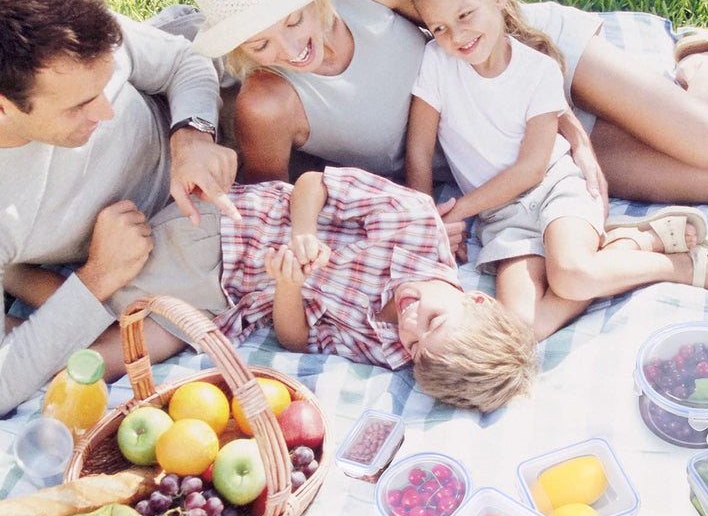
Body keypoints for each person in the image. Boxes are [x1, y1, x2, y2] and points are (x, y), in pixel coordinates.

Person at [185, 0, 708, 208]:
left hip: (530, 51)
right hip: (498, 140)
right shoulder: (267, 105)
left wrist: (574, 131)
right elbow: (271, 208)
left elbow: (470, 27)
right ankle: (697, 72)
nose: (291, 47)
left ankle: (698, 60)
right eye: (260, 44)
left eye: (294, 19)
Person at [404, 0, 708, 339]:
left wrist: (457, 211)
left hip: (554, 189)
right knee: (520, 328)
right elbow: (418, 151)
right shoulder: (436, 62)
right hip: (502, 218)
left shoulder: (537, 69)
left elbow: (532, 168)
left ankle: (678, 262)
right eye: (440, 27)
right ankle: (628, 245)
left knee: (572, 275)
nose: (457, 36)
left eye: (465, 14)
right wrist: (426, 220)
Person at [0, 0, 238, 415]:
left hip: (211, 132)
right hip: (158, 251)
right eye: (80, 106)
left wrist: (192, 134)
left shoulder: (72, 35)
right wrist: (98, 276)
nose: (106, 112)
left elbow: (183, 62)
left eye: (105, 87)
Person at [105, 166, 539, 414]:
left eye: (415, 344)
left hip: (229, 303)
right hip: (228, 233)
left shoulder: (391, 351)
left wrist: (288, 288)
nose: (408, 324)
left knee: (124, 351)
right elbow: (313, 183)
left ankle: (57, 287)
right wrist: (304, 236)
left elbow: (298, 339)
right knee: (108, 306)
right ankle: (49, 282)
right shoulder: (414, 222)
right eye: (432, 320)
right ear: (475, 298)